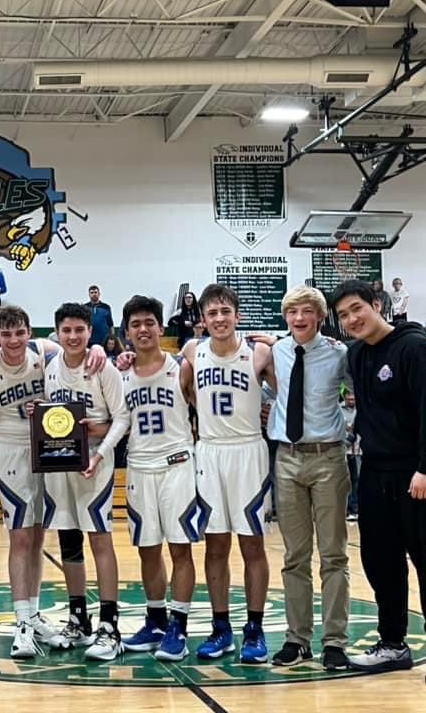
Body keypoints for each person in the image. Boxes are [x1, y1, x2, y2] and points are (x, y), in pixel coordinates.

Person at [332, 279, 426, 684]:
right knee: (381, 562)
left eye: (357, 309)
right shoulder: (357, 354)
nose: (352, 319)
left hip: (422, 473)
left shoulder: (416, 347)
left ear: (377, 304)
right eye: (343, 315)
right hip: (377, 473)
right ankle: (393, 643)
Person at [0, 304, 106, 658]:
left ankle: (33, 615)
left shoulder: (43, 351)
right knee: (19, 538)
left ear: (28, 332)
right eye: (6, 334)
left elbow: (76, 350)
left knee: (36, 538)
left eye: (20, 332)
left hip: (49, 449)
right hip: (11, 452)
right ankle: (21, 622)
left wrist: (98, 348)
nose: (14, 340)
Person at [181, 284, 274, 665]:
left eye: (225, 311)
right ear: (203, 319)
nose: (219, 318)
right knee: (216, 545)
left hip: (249, 450)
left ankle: (255, 627)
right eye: (212, 313)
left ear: (237, 315)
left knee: (252, 545)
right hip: (210, 452)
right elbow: (183, 390)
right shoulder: (192, 351)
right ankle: (221, 628)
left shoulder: (260, 352)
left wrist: (270, 411)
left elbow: (284, 391)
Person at [264, 286, 352, 671]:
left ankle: (334, 641)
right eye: (292, 312)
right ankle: (297, 639)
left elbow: (364, 385)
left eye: (306, 312)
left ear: (319, 317)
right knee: (294, 557)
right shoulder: (275, 350)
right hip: (286, 458)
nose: (298, 318)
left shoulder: (339, 353)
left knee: (333, 554)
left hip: (328, 457)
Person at [42, 302, 130, 661]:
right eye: (67, 330)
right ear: (57, 334)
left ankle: (110, 625)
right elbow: (54, 419)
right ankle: (79, 618)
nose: (74, 336)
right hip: (62, 464)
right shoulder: (50, 368)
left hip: (96, 462)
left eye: (80, 330)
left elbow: (122, 418)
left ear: (89, 332)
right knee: (69, 542)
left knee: (100, 539)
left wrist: (99, 453)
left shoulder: (103, 368)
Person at [119, 296, 198, 662]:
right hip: (138, 467)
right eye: (135, 324)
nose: (143, 329)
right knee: (147, 549)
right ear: (127, 332)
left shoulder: (181, 367)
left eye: (149, 322)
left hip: (177, 465)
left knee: (179, 548)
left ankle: (178, 625)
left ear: (161, 328)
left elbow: (206, 410)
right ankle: (155, 620)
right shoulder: (120, 374)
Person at [341, 390, 360, 520]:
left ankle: (355, 508)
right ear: (345, 397)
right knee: (344, 481)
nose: (351, 401)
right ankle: (345, 508)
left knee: (357, 479)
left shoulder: (361, 408)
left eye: (354, 399)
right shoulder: (338, 409)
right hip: (343, 451)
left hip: (358, 450)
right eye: (349, 399)